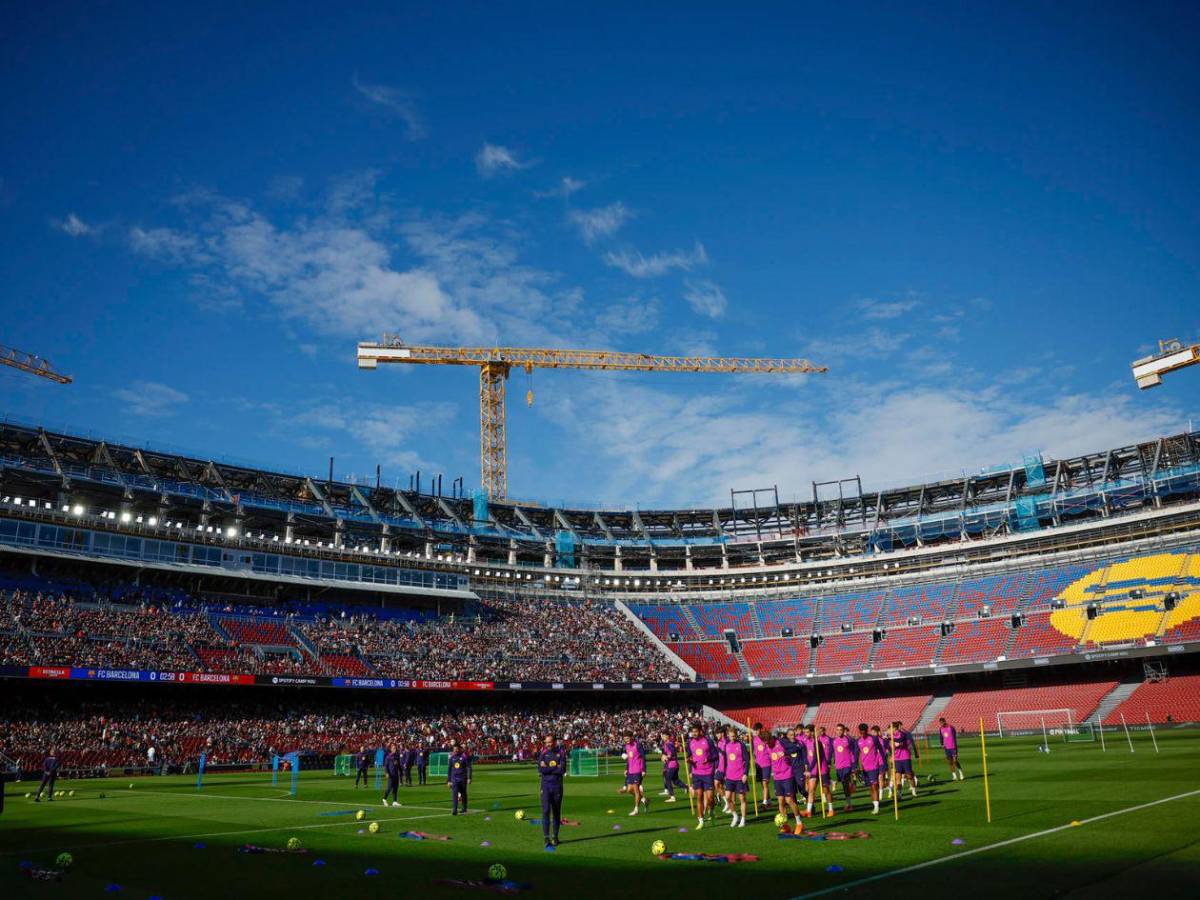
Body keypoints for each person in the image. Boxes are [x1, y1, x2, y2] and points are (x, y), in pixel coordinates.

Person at [536, 733, 568, 848]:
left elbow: (562, 770)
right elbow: (540, 770)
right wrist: (555, 768)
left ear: (554, 742)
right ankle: (546, 838)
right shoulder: (543, 753)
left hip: (557, 786)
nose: (548, 744)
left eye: (550, 742)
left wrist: (548, 768)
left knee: (556, 812)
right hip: (545, 786)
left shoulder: (561, 752)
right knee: (545, 811)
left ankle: (555, 836)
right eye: (546, 742)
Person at [768, 732, 803, 834]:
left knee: (789, 800)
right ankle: (785, 825)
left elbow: (796, 748)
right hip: (777, 777)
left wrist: (785, 753)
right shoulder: (767, 746)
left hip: (787, 775)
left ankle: (799, 823)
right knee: (781, 801)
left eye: (768, 742)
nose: (768, 745)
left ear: (771, 739)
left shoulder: (781, 742)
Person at [686, 722, 717, 829]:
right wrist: (689, 760)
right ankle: (701, 820)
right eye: (692, 731)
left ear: (700, 731)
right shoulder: (690, 742)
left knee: (710, 799)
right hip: (696, 773)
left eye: (696, 731)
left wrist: (708, 759)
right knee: (699, 797)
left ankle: (712, 810)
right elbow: (690, 756)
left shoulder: (708, 741)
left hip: (708, 773)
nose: (694, 733)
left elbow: (715, 756)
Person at [721, 725, 749, 827]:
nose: (733, 738)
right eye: (731, 736)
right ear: (728, 736)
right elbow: (725, 761)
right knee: (728, 798)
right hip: (729, 776)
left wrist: (745, 773)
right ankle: (735, 816)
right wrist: (724, 773)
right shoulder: (726, 746)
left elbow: (747, 760)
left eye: (734, 736)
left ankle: (743, 819)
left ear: (736, 736)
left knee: (742, 799)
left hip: (740, 776)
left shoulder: (741, 745)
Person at [855, 723, 884, 815]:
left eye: (864, 732)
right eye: (861, 732)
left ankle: (876, 807)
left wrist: (884, 765)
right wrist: (854, 766)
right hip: (864, 768)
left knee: (874, 786)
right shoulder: (858, 741)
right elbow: (856, 754)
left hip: (874, 767)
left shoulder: (874, 739)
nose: (862, 734)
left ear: (867, 731)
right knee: (871, 788)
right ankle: (875, 804)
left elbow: (881, 751)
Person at [888, 721, 919, 799]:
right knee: (898, 777)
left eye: (891, 728)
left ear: (895, 728)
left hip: (905, 757)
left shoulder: (902, 734)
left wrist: (890, 738)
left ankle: (914, 790)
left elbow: (899, 740)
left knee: (909, 775)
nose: (889, 730)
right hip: (897, 758)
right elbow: (890, 746)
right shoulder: (891, 736)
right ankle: (899, 794)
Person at [832, 724, 858, 812]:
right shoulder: (834, 741)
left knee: (845, 783)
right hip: (838, 766)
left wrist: (854, 765)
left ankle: (849, 804)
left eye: (840, 730)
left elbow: (853, 752)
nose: (839, 731)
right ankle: (849, 800)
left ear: (843, 731)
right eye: (837, 730)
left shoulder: (849, 740)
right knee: (844, 785)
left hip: (847, 765)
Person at [622, 731, 648, 816]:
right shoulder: (626, 746)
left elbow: (643, 757)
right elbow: (629, 759)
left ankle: (636, 809)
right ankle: (643, 799)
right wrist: (626, 769)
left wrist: (643, 769)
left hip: (638, 770)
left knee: (636, 789)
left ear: (631, 737)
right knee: (629, 790)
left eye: (628, 738)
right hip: (630, 770)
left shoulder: (638, 745)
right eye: (625, 739)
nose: (626, 740)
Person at [658, 732, 685, 803]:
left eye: (664, 735)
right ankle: (688, 787)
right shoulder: (666, 744)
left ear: (668, 736)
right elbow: (665, 753)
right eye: (662, 736)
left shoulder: (669, 744)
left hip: (672, 764)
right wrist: (663, 756)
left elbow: (672, 754)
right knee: (675, 781)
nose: (663, 737)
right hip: (671, 764)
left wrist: (666, 757)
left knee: (668, 779)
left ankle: (672, 796)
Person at [447, 742, 473, 815]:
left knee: (463, 794)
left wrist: (469, 778)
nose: (456, 751)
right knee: (454, 794)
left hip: (463, 778)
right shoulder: (452, 758)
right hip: (454, 779)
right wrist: (449, 780)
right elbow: (449, 769)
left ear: (460, 749)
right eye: (454, 749)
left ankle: (464, 808)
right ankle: (454, 810)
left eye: (457, 749)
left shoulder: (464, 757)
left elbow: (469, 768)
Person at [751, 723, 774, 804]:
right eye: (755, 730)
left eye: (757, 729)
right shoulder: (754, 739)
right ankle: (769, 800)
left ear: (761, 729)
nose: (756, 731)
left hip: (766, 763)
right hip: (758, 764)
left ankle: (764, 802)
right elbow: (754, 751)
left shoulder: (765, 737)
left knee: (765, 782)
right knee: (763, 784)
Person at [382, 743, 401, 807]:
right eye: (393, 748)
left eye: (395, 748)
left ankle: (394, 801)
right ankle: (384, 799)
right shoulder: (388, 757)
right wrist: (386, 773)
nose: (395, 749)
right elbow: (386, 766)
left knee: (395, 789)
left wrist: (401, 773)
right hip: (390, 775)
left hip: (396, 775)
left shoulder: (397, 756)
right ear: (391, 749)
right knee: (389, 788)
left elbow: (399, 766)